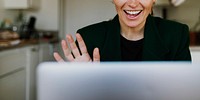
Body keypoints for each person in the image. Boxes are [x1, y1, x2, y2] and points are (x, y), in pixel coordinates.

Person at [54, 0, 191, 62]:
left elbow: (185, 92)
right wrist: (80, 82)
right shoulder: (89, 38)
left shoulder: (176, 35)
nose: (133, 3)